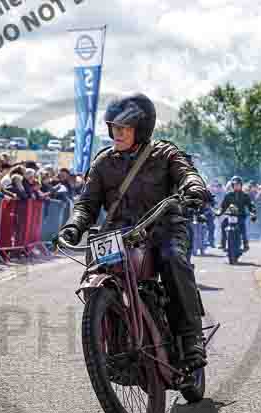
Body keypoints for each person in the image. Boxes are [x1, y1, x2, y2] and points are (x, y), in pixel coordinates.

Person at [58, 93, 210, 371]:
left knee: (173, 259)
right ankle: (110, 344)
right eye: (114, 127)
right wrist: (73, 226)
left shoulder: (164, 154)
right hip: (119, 235)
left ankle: (190, 339)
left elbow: (188, 173)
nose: (117, 133)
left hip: (162, 229)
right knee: (96, 276)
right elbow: (86, 204)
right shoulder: (103, 162)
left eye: (124, 128)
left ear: (141, 128)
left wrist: (194, 188)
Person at [217, 177, 256, 252]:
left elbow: (251, 206)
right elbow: (223, 206)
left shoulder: (245, 195)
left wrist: (253, 213)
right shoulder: (228, 195)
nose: (236, 186)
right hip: (230, 216)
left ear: (241, 185)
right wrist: (219, 212)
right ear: (232, 185)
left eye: (238, 184)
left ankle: (245, 244)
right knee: (223, 225)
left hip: (241, 216)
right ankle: (223, 243)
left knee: (243, 229)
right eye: (235, 184)